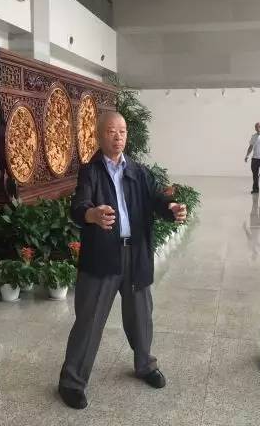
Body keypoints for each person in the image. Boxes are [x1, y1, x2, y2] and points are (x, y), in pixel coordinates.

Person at [58, 111, 187, 410]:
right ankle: (71, 382)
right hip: (102, 256)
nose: (118, 137)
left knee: (141, 316)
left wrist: (171, 207)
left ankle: (145, 365)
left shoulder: (139, 171)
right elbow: (79, 205)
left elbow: (156, 198)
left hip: (136, 253)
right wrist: (91, 214)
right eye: (111, 131)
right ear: (99, 135)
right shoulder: (90, 172)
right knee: (89, 320)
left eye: (123, 131)